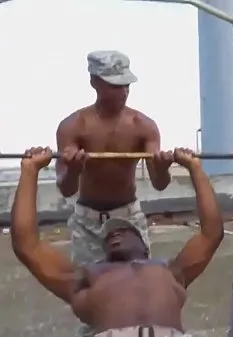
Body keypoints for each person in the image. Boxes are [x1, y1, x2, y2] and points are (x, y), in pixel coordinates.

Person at [11, 147, 224, 337]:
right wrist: (30, 171)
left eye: (123, 229)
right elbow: (27, 245)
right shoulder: (87, 278)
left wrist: (195, 168)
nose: (113, 234)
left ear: (144, 245)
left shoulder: (172, 271)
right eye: (108, 235)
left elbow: (212, 233)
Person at [55, 50, 172, 335]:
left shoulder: (142, 125)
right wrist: (71, 168)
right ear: (94, 82)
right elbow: (66, 187)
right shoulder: (74, 126)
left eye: (126, 84)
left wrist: (162, 166)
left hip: (128, 217)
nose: (123, 91)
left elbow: (159, 183)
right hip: (87, 220)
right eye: (115, 84)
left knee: (138, 287)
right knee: (91, 295)